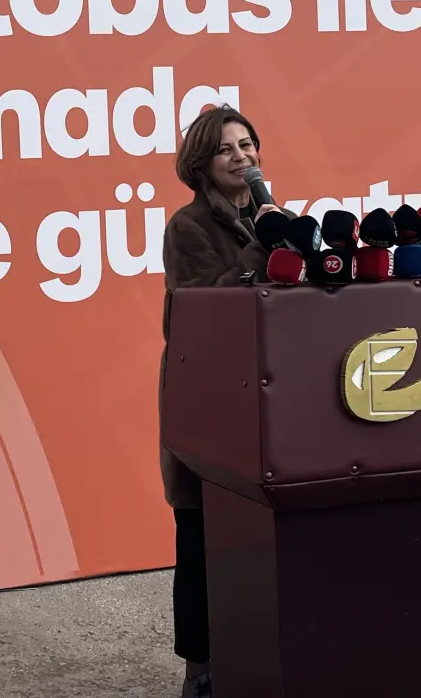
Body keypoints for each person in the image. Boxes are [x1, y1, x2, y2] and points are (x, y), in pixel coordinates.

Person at [158, 104, 288, 698]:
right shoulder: (187, 227)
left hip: (268, 394)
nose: (242, 156)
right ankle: (200, 670)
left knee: (263, 538)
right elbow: (210, 305)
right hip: (208, 400)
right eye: (226, 149)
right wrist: (265, 248)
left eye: (248, 144)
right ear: (201, 163)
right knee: (202, 536)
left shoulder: (274, 218)